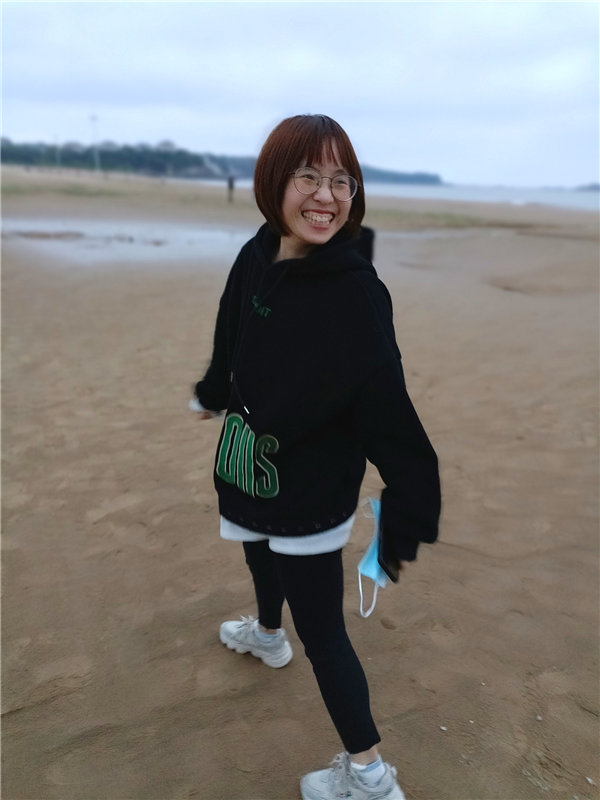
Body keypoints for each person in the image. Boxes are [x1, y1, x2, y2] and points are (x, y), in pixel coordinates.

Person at [190, 114, 441, 800]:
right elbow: (231, 325)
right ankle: (267, 634)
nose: (326, 196)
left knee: (323, 628)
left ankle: (369, 775)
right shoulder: (259, 250)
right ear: (274, 181)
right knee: (255, 550)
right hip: (248, 458)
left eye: (341, 181)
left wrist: (411, 497)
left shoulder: (356, 290)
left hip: (311, 484)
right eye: (308, 176)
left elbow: (388, 404)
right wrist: (214, 391)